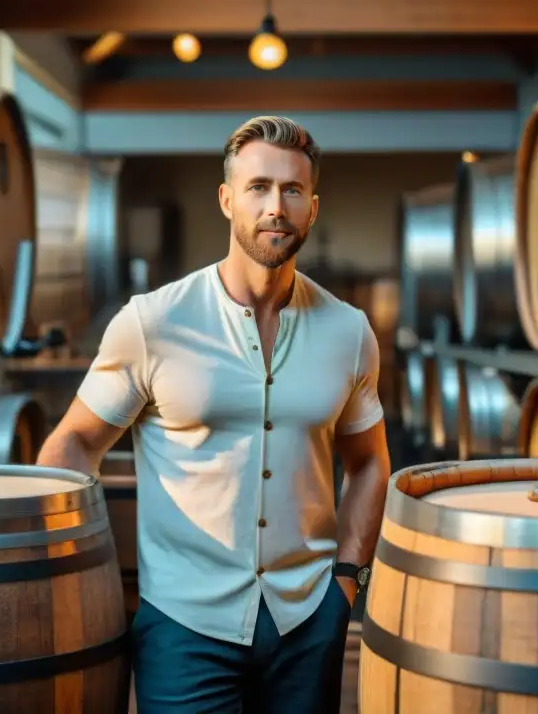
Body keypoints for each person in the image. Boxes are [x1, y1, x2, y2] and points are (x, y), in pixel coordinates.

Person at [36, 115, 392, 713]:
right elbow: (72, 444)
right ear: (228, 200)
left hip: (308, 621)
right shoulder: (152, 323)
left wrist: (345, 586)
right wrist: (83, 579)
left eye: (292, 191)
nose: (275, 206)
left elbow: (371, 464)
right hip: (183, 626)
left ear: (312, 207)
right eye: (258, 187)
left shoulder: (349, 331)